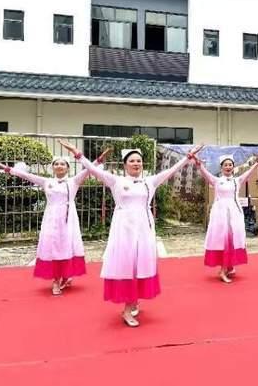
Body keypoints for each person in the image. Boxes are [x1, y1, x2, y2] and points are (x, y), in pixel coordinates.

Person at [58, 139, 201, 327]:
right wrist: (77, 153)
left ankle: (134, 300)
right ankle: (126, 309)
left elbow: (170, 171)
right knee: (126, 264)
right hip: (124, 228)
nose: (136, 164)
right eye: (132, 161)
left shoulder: (149, 182)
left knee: (140, 264)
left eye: (139, 161)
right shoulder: (116, 180)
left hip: (143, 227)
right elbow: (93, 170)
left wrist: (187, 157)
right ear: (125, 164)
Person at [0, 149, 110, 296]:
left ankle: (65, 275)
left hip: (68, 219)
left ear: (68, 168)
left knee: (67, 245)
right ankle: (55, 280)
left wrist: (99, 160)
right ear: (52, 167)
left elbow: (88, 170)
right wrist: (5, 167)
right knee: (53, 247)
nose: (59, 166)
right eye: (56, 164)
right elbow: (27, 175)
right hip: (51, 218)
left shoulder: (74, 181)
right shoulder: (47, 181)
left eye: (63, 164)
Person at [192, 151, 258, 283]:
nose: (228, 167)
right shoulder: (216, 181)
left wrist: (257, 163)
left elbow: (249, 173)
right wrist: (199, 165)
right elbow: (205, 173)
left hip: (234, 213)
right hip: (220, 214)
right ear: (221, 167)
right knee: (224, 240)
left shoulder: (236, 181)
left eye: (230, 165)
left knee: (235, 238)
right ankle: (222, 270)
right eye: (225, 165)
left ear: (233, 167)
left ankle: (230, 266)